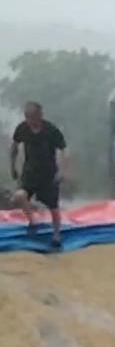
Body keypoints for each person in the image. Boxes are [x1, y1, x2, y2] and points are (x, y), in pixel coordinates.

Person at [9, 101, 68, 250]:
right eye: (29, 117)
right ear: (26, 117)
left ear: (40, 116)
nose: (32, 120)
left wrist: (62, 171)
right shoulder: (22, 129)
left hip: (48, 175)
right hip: (30, 173)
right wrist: (12, 167)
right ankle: (32, 221)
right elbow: (14, 147)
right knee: (19, 196)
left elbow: (64, 150)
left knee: (54, 209)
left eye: (35, 117)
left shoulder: (51, 130)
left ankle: (56, 236)